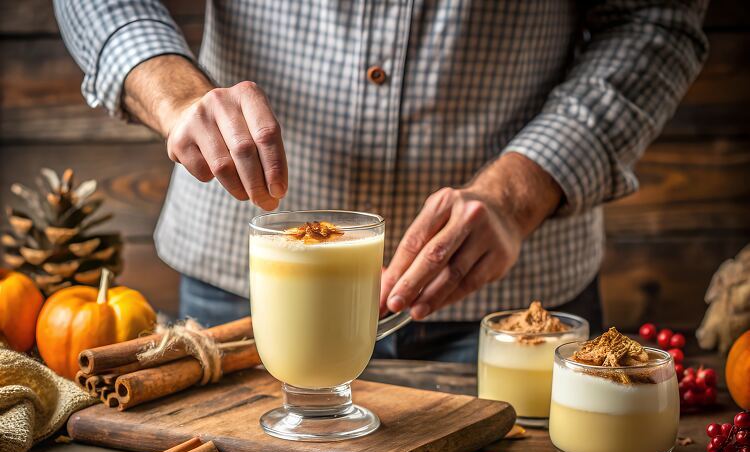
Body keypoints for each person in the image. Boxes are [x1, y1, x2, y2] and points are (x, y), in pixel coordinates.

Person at [55, 1, 708, 362]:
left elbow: (658, 17)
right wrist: (167, 87)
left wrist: (517, 192)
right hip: (242, 293)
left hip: (511, 306)